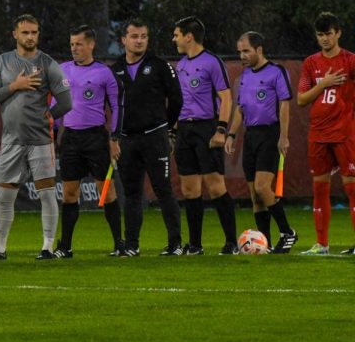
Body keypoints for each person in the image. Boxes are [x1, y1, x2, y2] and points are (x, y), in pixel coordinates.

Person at [0, 14, 72, 260]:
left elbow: (66, 102)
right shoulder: (1, 63)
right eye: (25, 32)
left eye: (34, 32)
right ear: (15, 34)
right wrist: (15, 86)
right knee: (5, 195)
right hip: (11, 140)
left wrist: (49, 118)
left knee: (46, 193)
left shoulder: (47, 63)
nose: (30, 37)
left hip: (41, 141)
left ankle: (46, 247)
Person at [110, 17, 184, 256]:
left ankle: (175, 244)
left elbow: (177, 100)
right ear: (123, 40)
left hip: (155, 138)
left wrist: (167, 128)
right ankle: (131, 246)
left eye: (143, 36)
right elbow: (109, 106)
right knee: (131, 194)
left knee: (164, 191)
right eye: (134, 36)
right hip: (127, 141)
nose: (139, 41)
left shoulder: (160, 66)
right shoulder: (114, 69)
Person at [224, 31, 297, 253]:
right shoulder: (245, 76)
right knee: (255, 196)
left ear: (259, 49)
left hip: (270, 134)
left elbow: (285, 105)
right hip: (251, 136)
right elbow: (240, 109)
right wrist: (232, 134)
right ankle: (265, 242)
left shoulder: (277, 72)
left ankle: (287, 232)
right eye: (239, 52)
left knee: (263, 187)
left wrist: (284, 136)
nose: (242, 56)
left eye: (246, 51)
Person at [172, 16, 239, 254]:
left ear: (189, 36)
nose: (174, 39)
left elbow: (226, 97)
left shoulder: (212, 62)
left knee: (215, 186)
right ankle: (195, 245)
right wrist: (174, 130)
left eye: (177, 34)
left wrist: (221, 129)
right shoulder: (180, 65)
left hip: (206, 128)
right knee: (190, 189)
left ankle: (232, 242)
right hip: (185, 130)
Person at [55, 25, 123, 257]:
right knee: (69, 194)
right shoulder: (62, 70)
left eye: (79, 44)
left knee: (107, 191)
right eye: (72, 44)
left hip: (95, 137)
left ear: (91, 44)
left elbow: (116, 107)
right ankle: (65, 246)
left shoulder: (104, 73)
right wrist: (52, 134)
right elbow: (55, 105)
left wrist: (114, 137)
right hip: (71, 138)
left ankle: (119, 244)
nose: (74, 48)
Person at [296, 12, 355, 255]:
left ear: (338, 33)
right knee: (320, 187)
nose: (324, 39)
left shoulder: (350, 61)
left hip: (345, 133)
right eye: (320, 35)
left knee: (352, 187)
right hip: (318, 134)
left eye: (328, 34)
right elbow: (301, 99)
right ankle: (322, 244)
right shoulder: (311, 63)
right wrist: (323, 83)